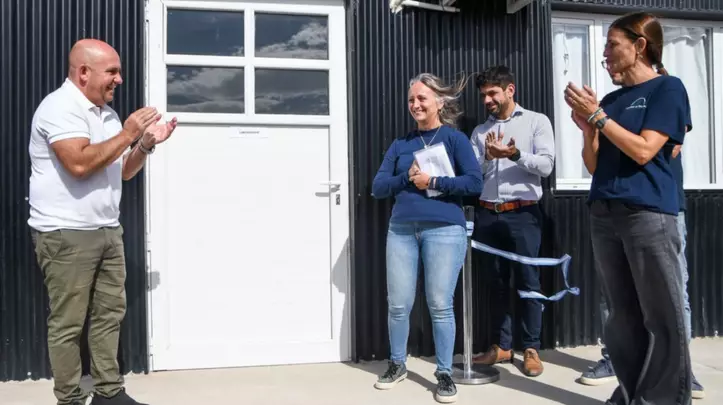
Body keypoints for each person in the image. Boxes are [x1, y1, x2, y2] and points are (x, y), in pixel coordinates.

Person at [28, 38, 177, 405]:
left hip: (108, 229)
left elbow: (121, 170)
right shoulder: (59, 108)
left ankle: (109, 394)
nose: (119, 79)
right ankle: (69, 399)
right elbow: (79, 165)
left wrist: (144, 144)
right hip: (65, 233)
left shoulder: (105, 114)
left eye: (118, 72)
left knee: (109, 315)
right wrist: (127, 133)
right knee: (68, 322)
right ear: (83, 72)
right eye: (112, 71)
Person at [565, 11, 692, 405]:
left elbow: (643, 150)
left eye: (612, 44)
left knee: (662, 315)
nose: (605, 53)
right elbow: (593, 165)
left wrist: (598, 118)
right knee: (622, 316)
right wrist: (589, 130)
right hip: (605, 212)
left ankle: (662, 399)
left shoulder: (667, 88)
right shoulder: (610, 101)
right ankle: (631, 392)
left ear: (639, 46)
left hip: (648, 212)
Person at [371, 73, 483, 403]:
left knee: (439, 305)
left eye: (422, 98)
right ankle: (397, 364)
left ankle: (444, 373)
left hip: (444, 230)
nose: (415, 104)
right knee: (398, 304)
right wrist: (406, 179)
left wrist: (434, 182)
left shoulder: (454, 139)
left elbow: (474, 183)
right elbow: (378, 187)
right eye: (411, 100)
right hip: (402, 230)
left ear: (439, 102)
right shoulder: (400, 144)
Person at [578, 141, 705, 400]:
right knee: (617, 298)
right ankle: (619, 364)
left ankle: (679, 370)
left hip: (658, 206)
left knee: (671, 296)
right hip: (613, 206)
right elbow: (595, 162)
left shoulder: (663, 111)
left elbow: (658, 150)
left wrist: (603, 124)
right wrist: (593, 131)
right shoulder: (610, 115)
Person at [469, 65, 555, 378]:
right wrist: (488, 157)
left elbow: (546, 166)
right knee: (495, 284)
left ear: (510, 90)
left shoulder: (536, 121)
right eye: (483, 95)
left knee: (529, 282)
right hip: (487, 214)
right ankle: (502, 347)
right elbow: (471, 176)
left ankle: (531, 348)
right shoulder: (479, 132)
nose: (487, 100)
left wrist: (515, 154)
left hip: (524, 214)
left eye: (492, 93)